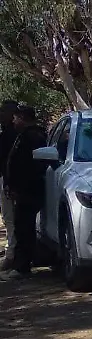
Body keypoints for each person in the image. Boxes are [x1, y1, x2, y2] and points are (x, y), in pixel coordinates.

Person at [1, 105, 47, 280]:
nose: (14, 121)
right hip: (21, 190)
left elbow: (30, 167)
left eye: (16, 117)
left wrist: (20, 188)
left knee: (24, 228)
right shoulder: (24, 136)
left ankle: (22, 267)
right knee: (22, 227)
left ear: (23, 118)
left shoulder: (33, 137)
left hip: (28, 191)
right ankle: (22, 264)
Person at [0, 100, 18, 269]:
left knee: (11, 218)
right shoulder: (9, 133)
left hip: (10, 182)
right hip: (8, 180)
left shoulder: (12, 134)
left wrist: (7, 183)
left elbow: (9, 162)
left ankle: (12, 255)